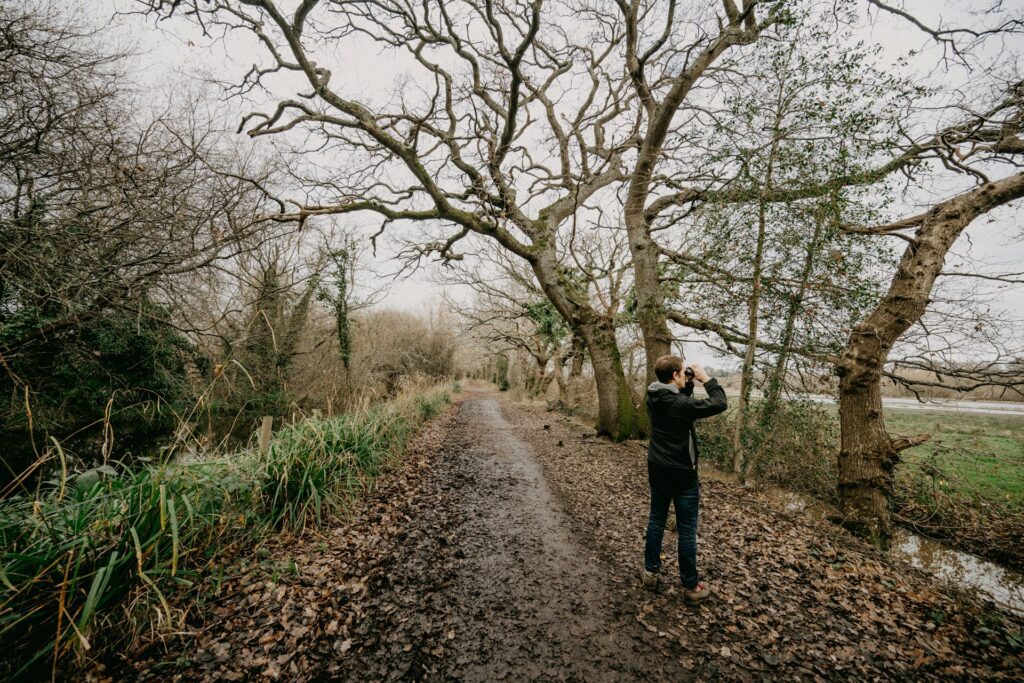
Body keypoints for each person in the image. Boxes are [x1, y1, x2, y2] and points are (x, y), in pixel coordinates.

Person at [641, 355, 727, 604]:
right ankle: (691, 586)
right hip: (682, 475)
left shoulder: (654, 396)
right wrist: (706, 379)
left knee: (656, 519)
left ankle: (650, 574)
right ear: (675, 375)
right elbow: (719, 403)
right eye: (682, 372)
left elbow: (680, 405)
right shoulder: (678, 405)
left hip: (657, 469)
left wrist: (687, 384)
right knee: (687, 529)